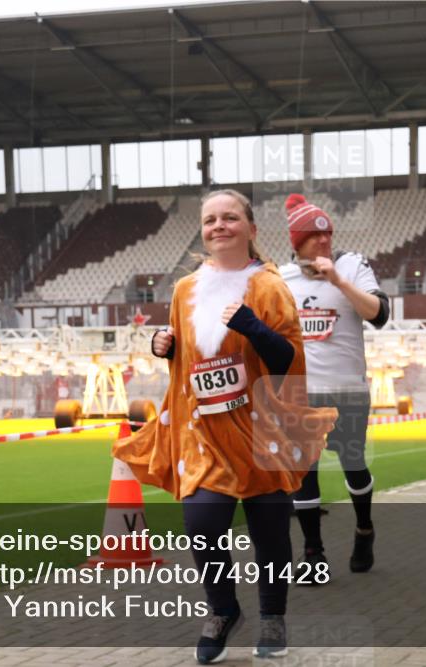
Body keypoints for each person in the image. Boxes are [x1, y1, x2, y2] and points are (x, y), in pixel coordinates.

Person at [114, 189, 338, 664]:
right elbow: (191, 362)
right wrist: (165, 347)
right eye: (211, 219)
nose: (220, 226)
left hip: (263, 431)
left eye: (230, 218)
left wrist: (251, 325)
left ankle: (273, 616)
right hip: (205, 433)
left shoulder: (268, 287)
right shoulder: (184, 290)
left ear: (251, 230)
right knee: (202, 523)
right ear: (203, 230)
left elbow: (288, 361)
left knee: (271, 533)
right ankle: (223, 610)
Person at [278, 193, 390, 581]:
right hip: (301, 393)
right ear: (298, 242)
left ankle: (364, 528)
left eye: (327, 235)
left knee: (354, 466)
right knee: (303, 473)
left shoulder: (353, 264)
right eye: (314, 236)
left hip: (348, 390)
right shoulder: (281, 278)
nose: (324, 242)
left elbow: (379, 314)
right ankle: (314, 553)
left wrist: (338, 280)